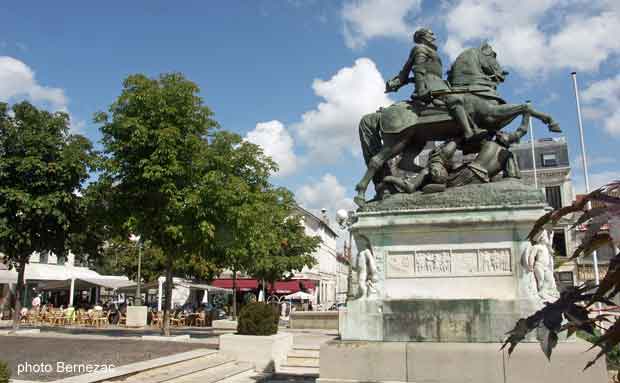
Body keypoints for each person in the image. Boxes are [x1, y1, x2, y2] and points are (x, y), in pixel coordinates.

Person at [386, 28, 479, 141]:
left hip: (439, 83)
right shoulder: (420, 48)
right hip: (431, 85)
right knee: (454, 100)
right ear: (423, 37)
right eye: (431, 34)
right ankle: (468, 132)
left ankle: (473, 127)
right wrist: (421, 90)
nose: (434, 37)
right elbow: (418, 68)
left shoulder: (428, 50)